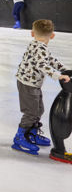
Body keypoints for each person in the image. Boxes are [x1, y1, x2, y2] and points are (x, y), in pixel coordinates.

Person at [11, 19, 70, 155]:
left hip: (32, 83)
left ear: (32, 33)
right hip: (27, 84)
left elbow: (50, 60)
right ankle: (19, 138)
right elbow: (42, 65)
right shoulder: (39, 48)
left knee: (39, 109)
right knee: (31, 112)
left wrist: (65, 70)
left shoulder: (38, 45)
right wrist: (58, 76)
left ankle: (31, 133)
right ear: (52, 35)